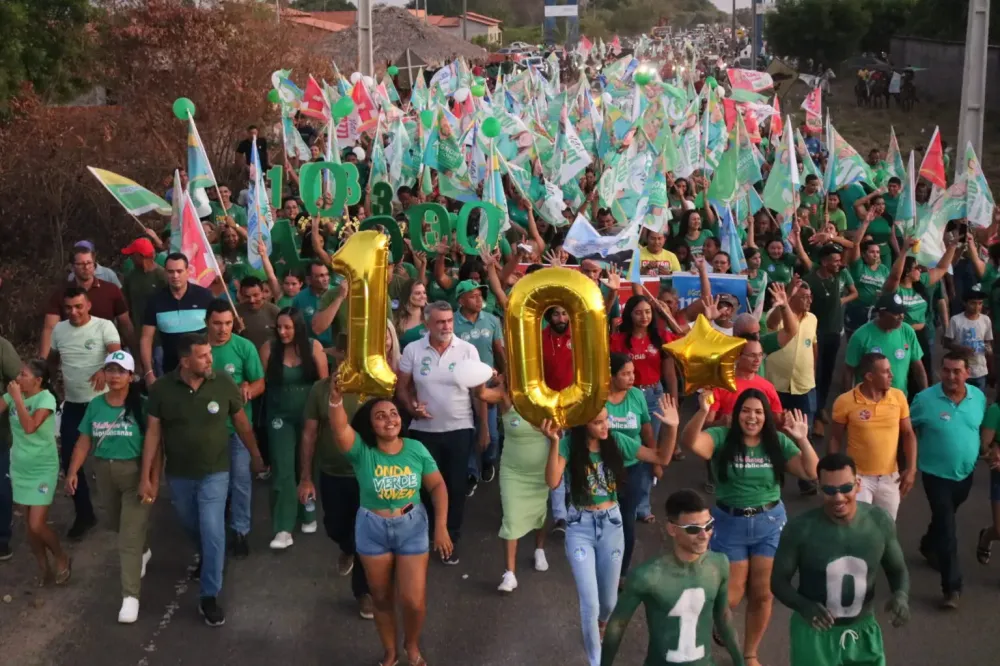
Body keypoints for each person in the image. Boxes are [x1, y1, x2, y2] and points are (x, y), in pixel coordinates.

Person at [679, 389, 819, 666]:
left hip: (770, 522)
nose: (752, 417)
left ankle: (749, 653)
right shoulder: (721, 437)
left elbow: (811, 471)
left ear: (766, 416)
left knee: (763, 593)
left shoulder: (777, 442)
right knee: (731, 594)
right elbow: (691, 442)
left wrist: (802, 439)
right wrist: (704, 411)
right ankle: (711, 626)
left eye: (758, 411)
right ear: (735, 414)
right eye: (746, 410)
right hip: (730, 523)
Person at [139, 333, 265, 627]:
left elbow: (241, 422)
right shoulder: (162, 390)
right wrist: (146, 476)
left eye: (210, 353)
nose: (211, 359)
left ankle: (209, 595)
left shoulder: (222, 383)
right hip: (180, 474)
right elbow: (154, 434)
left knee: (212, 528)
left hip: (215, 471)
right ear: (185, 361)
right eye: (203, 355)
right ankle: (210, 555)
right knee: (190, 523)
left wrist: (256, 455)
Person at [323, 380, 451, 666]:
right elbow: (340, 428)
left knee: (413, 601)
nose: (389, 419)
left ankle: (412, 646)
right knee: (380, 598)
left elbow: (438, 487)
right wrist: (334, 399)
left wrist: (440, 526)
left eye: (393, 413)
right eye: (380, 416)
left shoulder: (416, 449)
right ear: (370, 426)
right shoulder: (361, 453)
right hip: (372, 529)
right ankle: (391, 651)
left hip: (412, 526)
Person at [543, 396, 677, 666]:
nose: (606, 426)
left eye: (606, 420)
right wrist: (555, 442)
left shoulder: (617, 441)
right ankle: (597, 660)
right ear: (583, 425)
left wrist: (672, 427)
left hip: (612, 524)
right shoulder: (569, 445)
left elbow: (660, 457)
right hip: (580, 526)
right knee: (589, 603)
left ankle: (602, 624)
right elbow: (553, 480)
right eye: (598, 422)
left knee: (609, 603)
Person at [771, 453, 910, 666]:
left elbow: (897, 569)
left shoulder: (879, 522)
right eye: (829, 490)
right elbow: (778, 582)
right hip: (814, 634)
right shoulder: (800, 530)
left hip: (863, 632)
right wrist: (803, 605)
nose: (838, 497)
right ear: (818, 488)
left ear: (858, 485)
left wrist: (900, 594)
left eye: (846, 488)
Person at [396, 301, 504, 565]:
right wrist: (412, 407)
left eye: (449, 321)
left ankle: (450, 538)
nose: (446, 326)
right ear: (427, 324)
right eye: (440, 322)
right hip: (424, 432)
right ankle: (430, 533)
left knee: (455, 487)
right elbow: (402, 388)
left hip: (459, 429)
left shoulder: (467, 351)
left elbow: (479, 395)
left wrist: (484, 430)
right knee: (425, 488)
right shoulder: (413, 350)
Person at [601, 489, 744, 666]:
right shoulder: (647, 576)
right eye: (693, 529)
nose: (704, 535)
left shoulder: (719, 564)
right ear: (672, 529)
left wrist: (740, 662)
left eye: (708, 525)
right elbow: (617, 626)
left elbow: (723, 617)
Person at [65, 351, 152, 623]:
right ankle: (143, 550)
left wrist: (150, 478)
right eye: (110, 370)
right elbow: (83, 441)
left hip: (134, 472)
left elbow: (155, 445)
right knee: (116, 523)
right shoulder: (95, 405)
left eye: (120, 371)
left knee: (126, 537)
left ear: (131, 376)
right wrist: (72, 471)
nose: (114, 376)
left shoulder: (144, 406)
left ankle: (130, 597)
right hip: (104, 471)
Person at [909, 351, 986, 609]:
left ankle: (928, 543)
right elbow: (905, 430)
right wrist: (904, 464)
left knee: (946, 516)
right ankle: (952, 588)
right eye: (946, 370)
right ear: (940, 371)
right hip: (935, 474)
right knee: (948, 526)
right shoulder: (924, 400)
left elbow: (982, 430)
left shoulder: (978, 398)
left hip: (965, 474)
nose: (951, 376)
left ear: (967, 373)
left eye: (957, 371)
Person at [297, 366, 373, 618]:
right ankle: (346, 546)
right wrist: (306, 478)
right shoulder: (320, 390)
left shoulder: (371, 386)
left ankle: (364, 592)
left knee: (365, 535)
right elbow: (309, 434)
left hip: (366, 475)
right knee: (335, 526)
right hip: (331, 473)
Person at [48, 286, 122, 539]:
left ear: (88, 305)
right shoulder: (59, 330)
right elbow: (52, 359)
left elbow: (116, 352)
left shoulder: (104, 327)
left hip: (103, 404)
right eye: (68, 307)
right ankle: (84, 514)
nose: (74, 312)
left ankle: (124, 510)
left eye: (79, 306)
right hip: (74, 404)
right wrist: (47, 382)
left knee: (113, 459)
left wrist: (106, 368)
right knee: (70, 459)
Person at [260, 307, 329, 549]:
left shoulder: (314, 348)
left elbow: (324, 384)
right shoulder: (269, 349)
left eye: (287, 327)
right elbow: (261, 382)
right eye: (279, 327)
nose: (282, 332)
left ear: (298, 327)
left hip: (309, 416)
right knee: (283, 468)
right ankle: (283, 527)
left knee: (307, 465)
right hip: (280, 416)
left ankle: (308, 512)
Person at [0, 359, 70, 585]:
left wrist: (18, 399)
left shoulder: (45, 398)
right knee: (30, 529)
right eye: (19, 374)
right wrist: (14, 397)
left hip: (42, 468)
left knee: (36, 524)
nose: (18, 379)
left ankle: (61, 557)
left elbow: (30, 427)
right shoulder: (13, 395)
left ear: (38, 380)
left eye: (23, 375)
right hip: (19, 467)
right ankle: (44, 569)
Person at [206, 300, 265, 557]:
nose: (223, 329)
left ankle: (241, 530)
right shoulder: (199, 348)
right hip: (206, 431)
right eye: (217, 323)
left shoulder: (244, 347)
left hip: (239, 428)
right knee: (211, 483)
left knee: (240, 480)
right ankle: (213, 531)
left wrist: (249, 390)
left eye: (228, 323)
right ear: (207, 322)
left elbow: (259, 382)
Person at [829, 353, 917, 521]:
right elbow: (835, 438)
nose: (892, 375)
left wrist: (911, 469)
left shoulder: (898, 397)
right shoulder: (845, 401)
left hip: (891, 478)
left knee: (887, 527)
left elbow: (908, 434)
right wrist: (835, 473)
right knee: (859, 527)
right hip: (858, 478)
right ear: (869, 376)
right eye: (886, 372)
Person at [602, 353, 658, 584]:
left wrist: (655, 461)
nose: (631, 377)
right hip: (602, 470)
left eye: (632, 373)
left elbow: (646, 430)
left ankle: (621, 572)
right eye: (625, 373)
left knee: (626, 522)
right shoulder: (598, 399)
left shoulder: (637, 396)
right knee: (603, 520)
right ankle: (601, 565)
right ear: (611, 376)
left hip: (633, 468)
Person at [495, 386, 552, 593]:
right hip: (512, 471)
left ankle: (539, 549)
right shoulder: (506, 396)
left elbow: (560, 430)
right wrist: (488, 379)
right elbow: (481, 394)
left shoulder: (546, 400)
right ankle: (509, 574)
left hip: (539, 469)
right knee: (510, 517)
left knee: (540, 512)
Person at [452, 280, 506, 495]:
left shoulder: (492, 320)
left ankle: (488, 460)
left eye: (480, 295)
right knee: (470, 430)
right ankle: (471, 472)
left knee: (490, 432)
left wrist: (503, 375)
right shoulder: (453, 323)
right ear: (461, 300)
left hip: (489, 385)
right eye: (473, 295)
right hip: (461, 387)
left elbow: (498, 351)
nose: (479, 299)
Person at [40, 244, 130, 358]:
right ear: (72, 267)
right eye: (80, 264)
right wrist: (42, 363)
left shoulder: (111, 290)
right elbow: (49, 328)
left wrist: (136, 359)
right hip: (73, 355)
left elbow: (126, 325)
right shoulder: (61, 293)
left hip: (106, 357)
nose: (86, 267)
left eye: (89, 263)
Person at [140, 253, 216, 383]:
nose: (175, 276)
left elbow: (217, 329)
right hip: (170, 373)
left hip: (203, 372)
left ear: (188, 271)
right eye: (171, 272)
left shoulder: (204, 296)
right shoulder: (155, 300)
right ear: (165, 273)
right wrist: (148, 372)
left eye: (179, 271)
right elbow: (146, 338)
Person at [844, 291, 927, 398]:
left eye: (902, 312)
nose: (901, 317)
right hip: (868, 402)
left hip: (899, 402)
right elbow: (848, 371)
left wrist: (925, 395)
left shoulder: (907, 331)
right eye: (896, 313)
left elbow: (918, 366)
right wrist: (849, 399)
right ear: (881, 313)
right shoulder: (860, 336)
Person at [121, 238, 167, 352]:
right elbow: (124, 304)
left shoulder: (162, 276)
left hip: (160, 338)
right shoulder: (130, 276)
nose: (130, 257)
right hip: (138, 336)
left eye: (132, 254)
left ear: (139, 256)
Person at [944, 286, 993, 392]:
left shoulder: (986, 320)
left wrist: (989, 351)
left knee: (979, 398)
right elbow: (946, 343)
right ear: (964, 303)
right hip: (961, 369)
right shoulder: (956, 320)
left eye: (980, 303)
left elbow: (987, 342)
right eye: (973, 303)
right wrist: (961, 349)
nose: (977, 307)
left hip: (980, 369)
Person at [0, 334, 22, 561]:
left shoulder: (2, 347)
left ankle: (2, 539)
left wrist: (3, 402)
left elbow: (20, 382)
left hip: (0, 434)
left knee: (1, 489)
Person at [236, 275, 280, 351]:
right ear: (240, 294)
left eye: (255, 295)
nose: (252, 300)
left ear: (262, 293)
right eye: (247, 296)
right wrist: (236, 330)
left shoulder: (274, 311)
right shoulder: (235, 311)